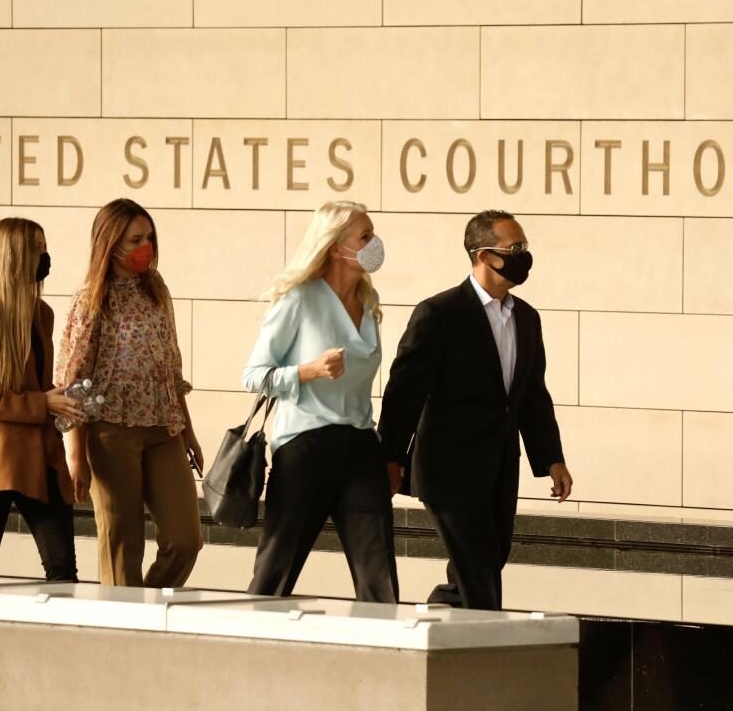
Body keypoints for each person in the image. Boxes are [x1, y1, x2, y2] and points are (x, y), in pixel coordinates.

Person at [379, 209, 573, 611]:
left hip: (500, 465)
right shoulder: (439, 313)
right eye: (514, 247)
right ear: (484, 255)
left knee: (489, 558)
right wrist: (390, 456)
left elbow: (533, 395)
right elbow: (403, 392)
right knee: (479, 568)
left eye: (525, 247)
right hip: (446, 468)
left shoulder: (527, 319)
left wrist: (552, 459)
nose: (523, 254)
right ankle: (490, 654)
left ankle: (438, 616)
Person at [242, 200, 398, 602]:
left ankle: (390, 660)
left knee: (379, 578)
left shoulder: (369, 302)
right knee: (276, 572)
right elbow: (254, 376)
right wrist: (308, 371)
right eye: (365, 237)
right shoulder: (299, 299)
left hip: (362, 446)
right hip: (306, 447)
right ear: (334, 247)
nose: (374, 244)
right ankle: (245, 650)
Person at [56, 198, 203, 588]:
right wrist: (77, 457)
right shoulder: (90, 299)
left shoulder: (156, 289)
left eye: (149, 237)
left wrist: (188, 430)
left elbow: (172, 366)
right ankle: (123, 629)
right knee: (124, 544)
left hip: (163, 428)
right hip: (110, 431)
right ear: (111, 243)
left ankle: (146, 610)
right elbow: (74, 381)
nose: (145, 246)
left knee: (186, 538)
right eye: (136, 238)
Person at [0, 217, 84, 581]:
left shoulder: (42, 314)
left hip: (40, 458)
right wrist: (43, 403)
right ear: (13, 256)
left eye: (44, 246)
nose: (45, 256)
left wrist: (60, 403)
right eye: (36, 248)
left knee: (62, 571)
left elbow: (37, 386)